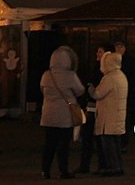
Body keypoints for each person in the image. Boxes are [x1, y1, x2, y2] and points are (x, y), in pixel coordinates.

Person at [40, 45, 84, 180]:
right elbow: (80, 90)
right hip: (65, 114)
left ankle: (45, 171)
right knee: (63, 144)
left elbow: (42, 89)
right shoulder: (70, 75)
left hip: (48, 114)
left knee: (49, 143)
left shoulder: (47, 75)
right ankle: (63, 170)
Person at [89, 49, 128, 177]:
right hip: (117, 116)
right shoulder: (121, 76)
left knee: (109, 145)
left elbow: (98, 94)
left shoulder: (109, 78)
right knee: (116, 144)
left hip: (108, 117)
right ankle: (118, 166)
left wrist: (91, 89)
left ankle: (113, 168)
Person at [77, 43, 108, 175]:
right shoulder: (96, 69)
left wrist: (90, 89)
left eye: (100, 51)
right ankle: (87, 165)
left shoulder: (105, 74)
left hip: (98, 108)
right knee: (89, 138)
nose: (97, 54)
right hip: (91, 107)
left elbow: (97, 92)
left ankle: (101, 165)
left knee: (97, 139)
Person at [113, 41, 135, 150]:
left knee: (125, 118)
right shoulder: (111, 60)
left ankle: (123, 142)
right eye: (117, 46)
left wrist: (127, 85)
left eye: (121, 46)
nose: (119, 49)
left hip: (127, 93)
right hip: (114, 94)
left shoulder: (130, 61)